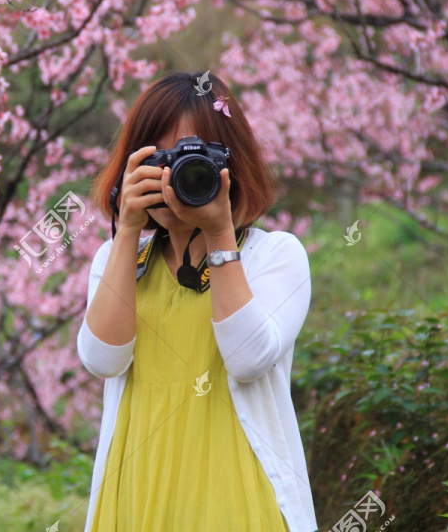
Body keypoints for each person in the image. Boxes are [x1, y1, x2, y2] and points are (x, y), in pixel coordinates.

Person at [76, 71, 318, 532]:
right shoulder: (119, 259)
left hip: (238, 502)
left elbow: (248, 359)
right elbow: (102, 359)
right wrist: (127, 229)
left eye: (192, 157)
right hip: (135, 499)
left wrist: (219, 232)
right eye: (158, 157)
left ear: (231, 162)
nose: (172, 176)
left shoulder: (275, 256)